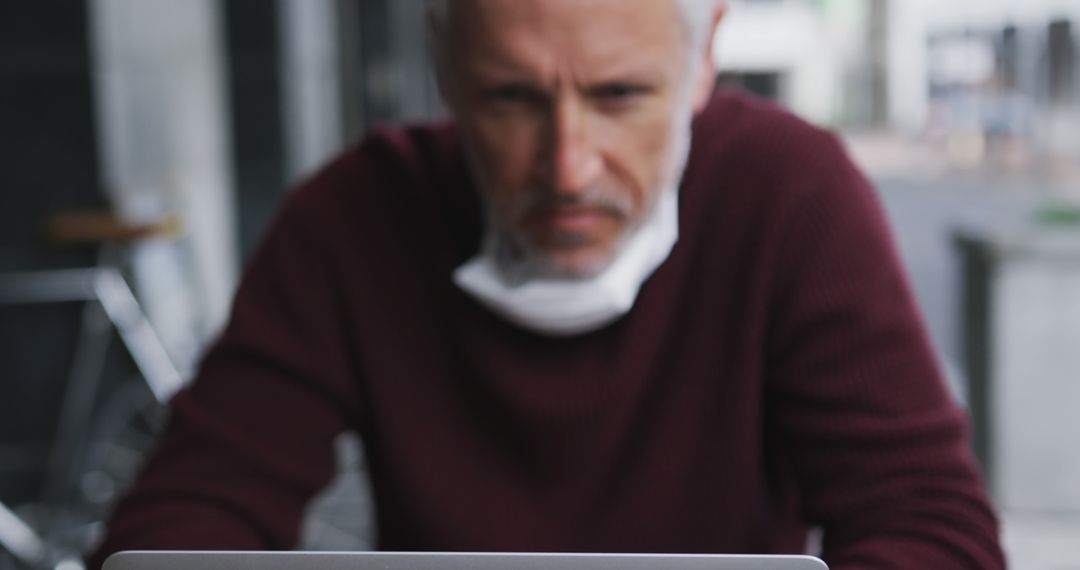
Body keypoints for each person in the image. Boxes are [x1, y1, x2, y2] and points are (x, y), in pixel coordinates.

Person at [87, 0, 1006, 568]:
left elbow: (930, 523)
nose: (568, 169)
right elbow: (181, 521)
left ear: (703, 59)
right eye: (512, 99)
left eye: (618, 97)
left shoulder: (788, 193)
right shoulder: (355, 216)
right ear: (444, 63)